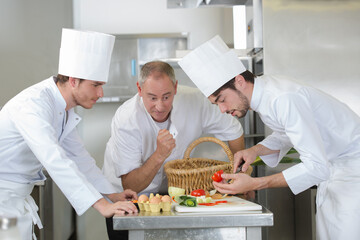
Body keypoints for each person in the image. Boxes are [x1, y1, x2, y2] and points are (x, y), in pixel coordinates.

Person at [178, 35, 360, 240]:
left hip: (353, 173)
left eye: (222, 100)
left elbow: (317, 166)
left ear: (239, 81)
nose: (222, 109)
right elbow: (286, 134)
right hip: (336, 172)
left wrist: (254, 183)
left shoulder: (282, 98)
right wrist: (254, 151)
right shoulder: (265, 95)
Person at [0, 28, 138, 240]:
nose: (100, 93)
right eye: (96, 85)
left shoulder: (63, 110)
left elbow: (79, 158)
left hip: (14, 201)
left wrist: (111, 193)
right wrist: (101, 206)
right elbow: (55, 159)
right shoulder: (33, 105)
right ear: (73, 81)